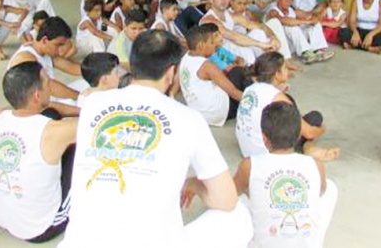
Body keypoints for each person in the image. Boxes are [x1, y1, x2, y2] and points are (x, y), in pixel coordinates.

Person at [57, 30, 253, 248]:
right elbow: (226, 199)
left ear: (132, 65)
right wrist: (194, 185)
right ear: (170, 73)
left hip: (79, 243)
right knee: (238, 211)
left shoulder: (93, 105)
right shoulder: (188, 119)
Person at [0, 62, 78, 243]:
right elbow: (97, 125)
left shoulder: (0, 117)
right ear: (37, 95)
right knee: (83, 151)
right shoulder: (54, 131)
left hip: (1, 215)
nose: (50, 86)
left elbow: (50, 108)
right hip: (41, 227)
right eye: (47, 83)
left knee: (51, 116)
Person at [234, 102, 339, 248]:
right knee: (330, 188)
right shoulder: (316, 164)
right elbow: (321, 191)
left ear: (264, 139)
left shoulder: (250, 165)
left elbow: (231, 193)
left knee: (240, 198)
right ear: (298, 138)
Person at [236, 52, 339, 161]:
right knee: (315, 117)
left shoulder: (249, 89)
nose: (287, 71)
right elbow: (309, 133)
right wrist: (322, 129)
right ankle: (308, 147)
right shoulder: (278, 97)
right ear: (277, 74)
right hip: (267, 154)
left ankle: (307, 146)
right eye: (285, 68)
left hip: (247, 150)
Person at [8, 16, 83, 115]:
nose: (60, 51)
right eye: (58, 45)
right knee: (83, 104)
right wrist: (80, 96)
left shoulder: (46, 51)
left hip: (49, 97)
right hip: (37, 107)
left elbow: (73, 68)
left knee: (87, 84)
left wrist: (101, 70)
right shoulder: (26, 57)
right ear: (44, 40)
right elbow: (50, 86)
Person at [180, 24, 246, 127]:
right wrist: (257, 100)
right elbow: (234, 92)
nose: (215, 46)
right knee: (237, 72)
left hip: (199, 113)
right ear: (201, 45)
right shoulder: (207, 66)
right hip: (218, 114)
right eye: (212, 43)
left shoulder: (186, 58)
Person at [200, 0, 276, 66]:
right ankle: (257, 68)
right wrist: (260, 44)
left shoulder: (231, 15)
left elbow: (260, 25)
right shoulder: (209, 19)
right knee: (246, 50)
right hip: (219, 54)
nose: (223, 0)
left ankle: (267, 65)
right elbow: (233, 36)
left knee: (259, 33)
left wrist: (273, 37)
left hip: (233, 47)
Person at [266, 0, 334, 64]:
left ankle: (318, 51)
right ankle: (306, 54)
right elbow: (284, 20)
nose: (287, 1)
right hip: (281, 46)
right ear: (278, 0)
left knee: (314, 24)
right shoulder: (273, 11)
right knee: (292, 27)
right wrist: (306, 21)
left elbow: (309, 15)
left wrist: (316, 15)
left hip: (293, 44)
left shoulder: (293, 10)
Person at [229, 0, 295, 65]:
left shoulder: (247, 13)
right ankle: (270, 64)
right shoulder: (227, 14)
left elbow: (259, 25)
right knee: (259, 33)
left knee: (274, 22)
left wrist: (273, 37)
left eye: (244, 4)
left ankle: (285, 59)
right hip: (237, 46)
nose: (242, 7)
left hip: (250, 42)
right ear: (231, 2)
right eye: (239, 3)